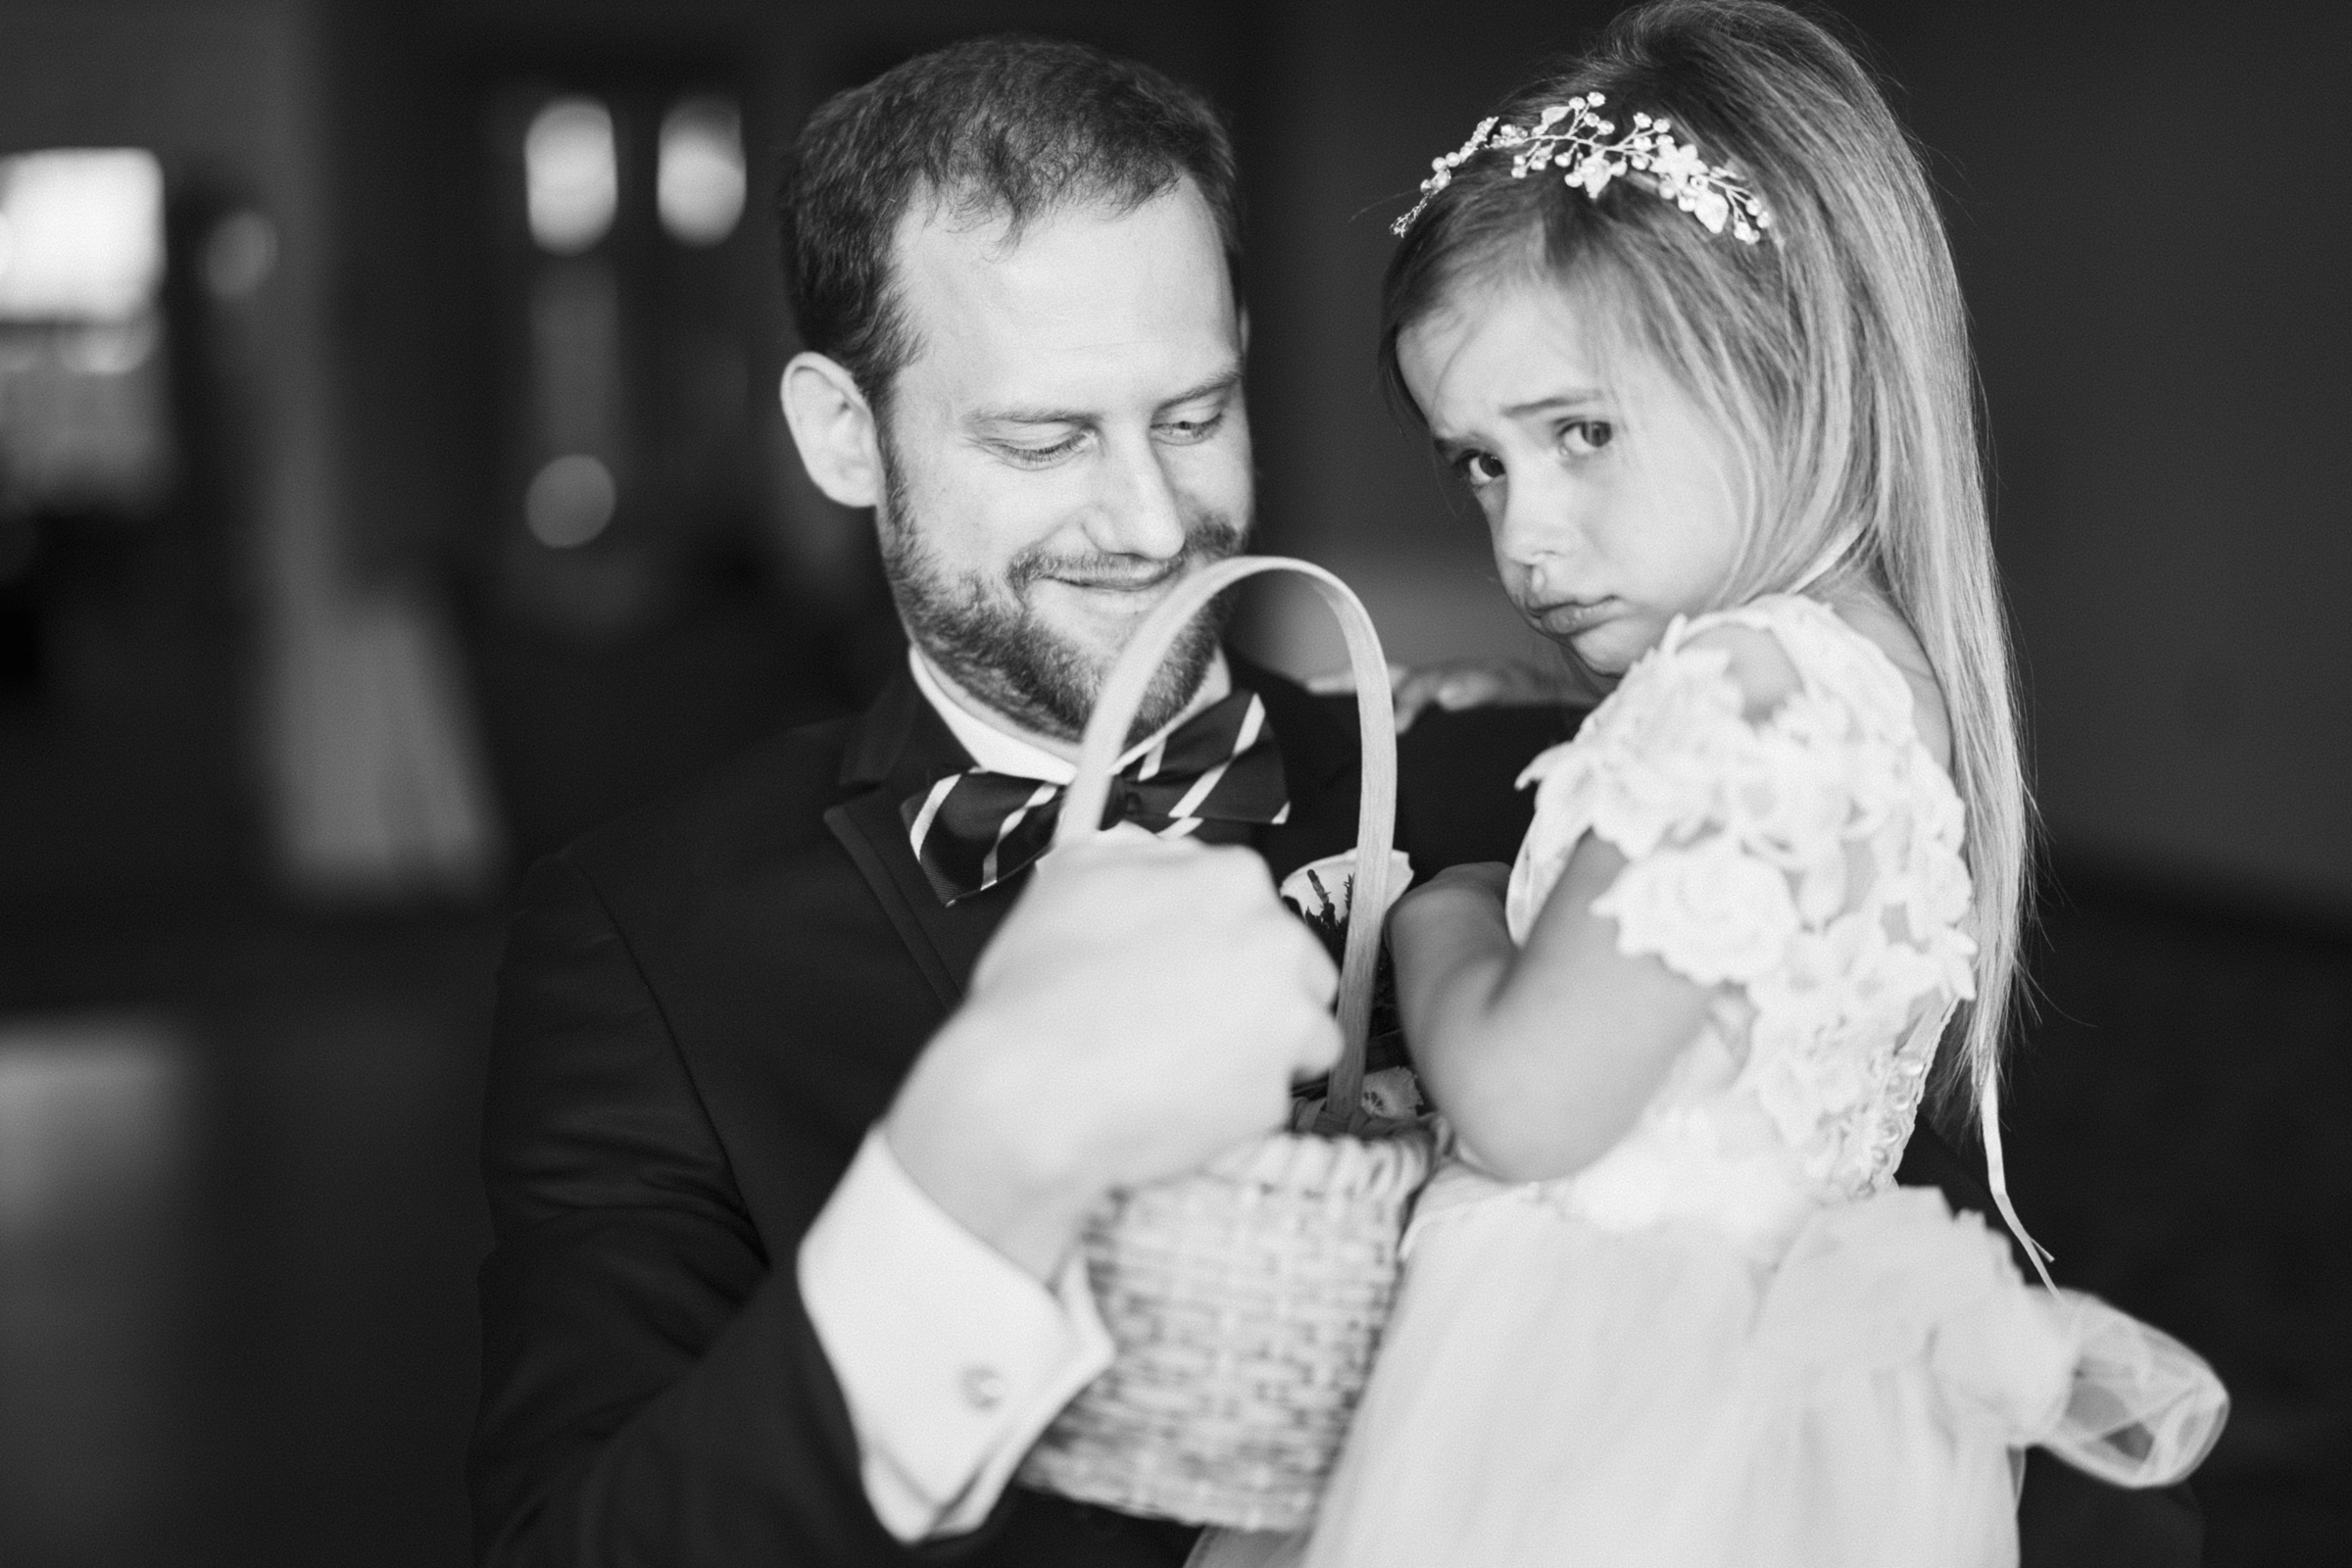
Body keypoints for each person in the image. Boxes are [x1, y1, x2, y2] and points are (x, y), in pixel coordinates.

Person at [471, 27, 2209, 1568]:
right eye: (1044, 441)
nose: (1150, 524)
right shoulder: (644, 942)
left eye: (1196, 413)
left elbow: (1851, 1295)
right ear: (844, 436)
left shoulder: (1528, 775)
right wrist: (968, 1164)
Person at [1194, 5, 2230, 1566]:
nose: (1523, 534)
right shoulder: (1861, 673)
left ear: (1789, 372)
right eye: (1480, 461)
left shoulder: (1746, 691)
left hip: (1598, 1425)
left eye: (1581, 433)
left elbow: (1534, 1100)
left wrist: (1445, 914)